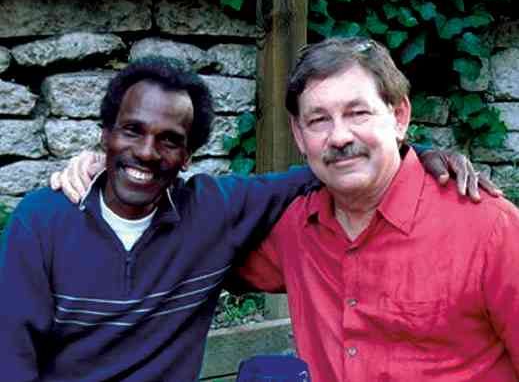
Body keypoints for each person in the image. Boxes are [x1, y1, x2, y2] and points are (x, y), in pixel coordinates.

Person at [22, 56, 492, 381]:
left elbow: (328, 168)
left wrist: (419, 152)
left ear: (188, 156)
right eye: (131, 131)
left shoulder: (212, 213)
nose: (146, 151)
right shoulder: (42, 221)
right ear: (105, 134)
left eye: (168, 140)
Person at [229, 37, 519, 381]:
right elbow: (206, 260)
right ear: (298, 133)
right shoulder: (295, 228)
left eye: (358, 113)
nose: (338, 137)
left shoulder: (489, 229)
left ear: (399, 116)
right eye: (319, 120)